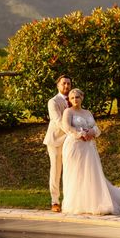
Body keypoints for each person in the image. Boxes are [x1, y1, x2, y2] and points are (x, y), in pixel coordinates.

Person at [61, 88, 120, 215]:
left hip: (88, 147)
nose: (75, 100)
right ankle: (77, 203)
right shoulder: (68, 111)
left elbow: (95, 127)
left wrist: (92, 132)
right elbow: (67, 127)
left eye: (77, 97)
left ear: (82, 98)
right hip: (75, 146)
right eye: (72, 98)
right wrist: (81, 134)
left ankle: (94, 201)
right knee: (76, 173)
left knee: (91, 173)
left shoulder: (87, 112)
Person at [43, 75, 72, 212]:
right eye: (63, 83)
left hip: (72, 142)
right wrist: (75, 132)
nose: (66, 86)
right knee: (56, 171)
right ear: (58, 85)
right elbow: (58, 120)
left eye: (68, 84)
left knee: (71, 171)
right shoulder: (53, 102)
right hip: (55, 141)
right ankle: (55, 202)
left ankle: (70, 200)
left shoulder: (74, 99)